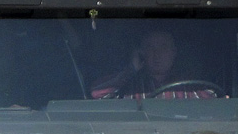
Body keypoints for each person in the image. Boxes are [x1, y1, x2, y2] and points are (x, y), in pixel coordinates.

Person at [90, 30, 221, 99]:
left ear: (173, 52)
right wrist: (131, 70)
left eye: (163, 47)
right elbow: (97, 94)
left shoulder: (190, 87)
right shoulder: (128, 86)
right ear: (141, 53)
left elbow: (215, 103)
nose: (157, 53)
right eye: (150, 48)